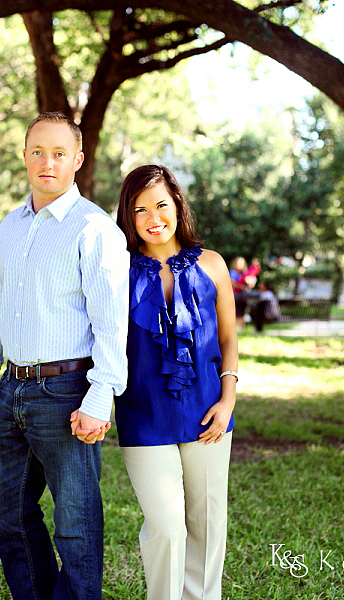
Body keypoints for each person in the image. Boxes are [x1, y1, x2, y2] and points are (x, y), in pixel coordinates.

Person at [0, 112, 130, 600]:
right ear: (24, 155)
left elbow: (111, 323)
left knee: (76, 526)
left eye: (59, 153)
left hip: (67, 391)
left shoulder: (94, 230)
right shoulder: (10, 227)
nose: (47, 162)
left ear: (77, 160)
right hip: (11, 388)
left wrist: (100, 397)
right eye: (38, 151)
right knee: (8, 516)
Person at [114, 165, 238, 600]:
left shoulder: (213, 264)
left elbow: (227, 339)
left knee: (207, 525)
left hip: (208, 413)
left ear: (177, 205)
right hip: (143, 416)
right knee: (167, 528)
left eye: (161, 205)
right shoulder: (117, 270)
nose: (153, 217)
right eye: (140, 209)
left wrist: (228, 401)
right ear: (128, 216)